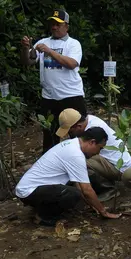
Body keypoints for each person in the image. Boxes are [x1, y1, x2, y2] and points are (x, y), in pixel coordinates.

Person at [15, 127, 121, 226]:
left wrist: (91, 204)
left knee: (80, 185)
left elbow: (79, 183)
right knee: (73, 194)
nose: (98, 153)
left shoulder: (72, 144)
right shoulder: (75, 154)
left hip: (36, 187)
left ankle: (44, 207)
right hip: (29, 191)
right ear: (92, 142)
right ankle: (44, 217)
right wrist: (103, 212)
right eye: (99, 148)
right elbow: (86, 190)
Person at [20, 9, 87, 154]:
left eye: (58, 24)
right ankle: (51, 168)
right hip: (49, 97)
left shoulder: (73, 44)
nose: (54, 27)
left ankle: (85, 165)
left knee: (78, 134)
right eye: (52, 24)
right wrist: (26, 49)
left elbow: (72, 64)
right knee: (49, 136)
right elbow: (28, 61)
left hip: (71, 96)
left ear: (66, 26)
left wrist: (50, 52)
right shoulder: (43, 42)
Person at [56, 108, 131, 201]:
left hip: (119, 167)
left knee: (78, 161)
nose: (69, 135)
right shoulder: (89, 120)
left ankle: (108, 189)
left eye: (70, 132)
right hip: (110, 161)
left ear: (79, 126)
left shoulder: (93, 130)